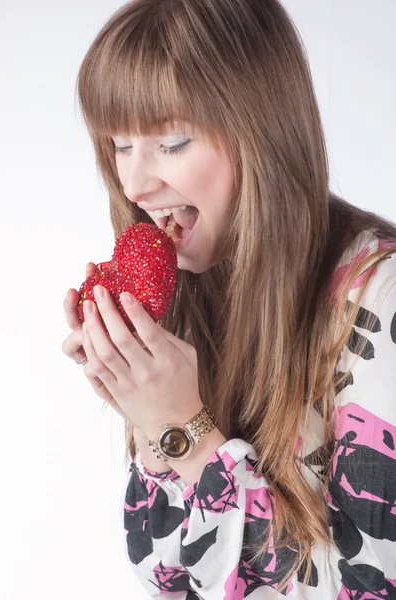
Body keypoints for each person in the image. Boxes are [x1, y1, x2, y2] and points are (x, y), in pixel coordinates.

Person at [61, 0, 396, 598]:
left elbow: (366, 585)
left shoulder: (383, 299)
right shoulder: (201, 281)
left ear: (261, 131)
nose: (135, 185)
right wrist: (150, 419)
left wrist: (182, 431)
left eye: (172, 141)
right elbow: (170, 577)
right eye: (119, 145)